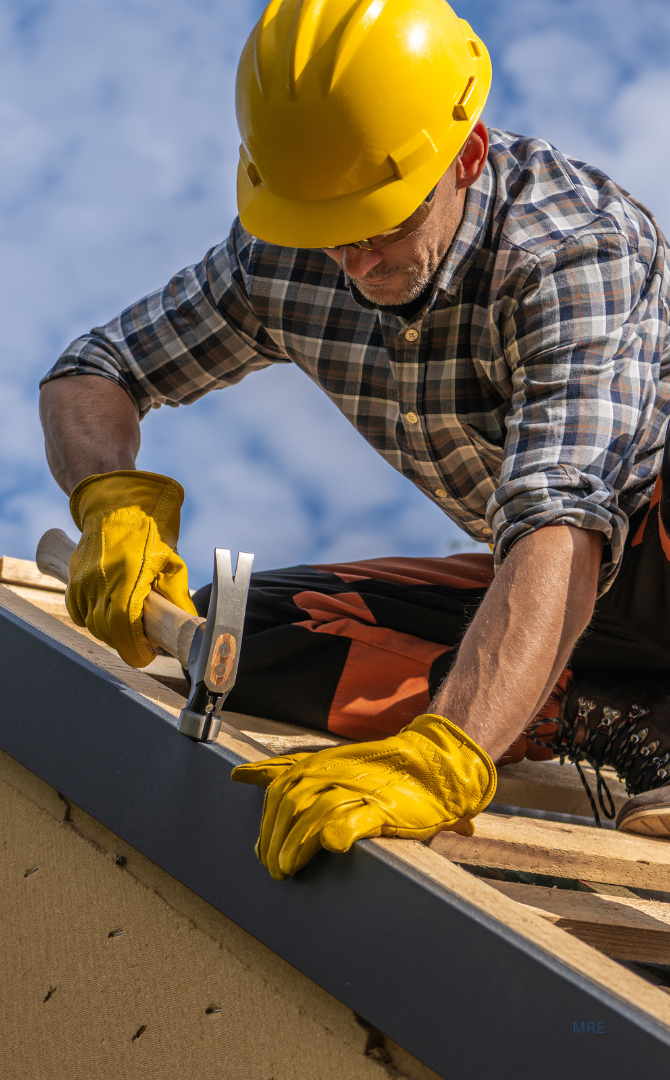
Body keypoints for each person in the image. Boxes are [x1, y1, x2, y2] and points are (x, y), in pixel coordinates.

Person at [38, 0, 670, 880]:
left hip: (627, 538)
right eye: (325, 231)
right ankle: (619, 712)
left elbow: (561, 518)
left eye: (383, 223)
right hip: (566, 584)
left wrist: (447, 750)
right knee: (236, 635)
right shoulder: (285, 255)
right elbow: (94, 368)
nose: (355, 261)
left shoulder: (568, 251)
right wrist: (109, 501)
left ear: (468, 155)